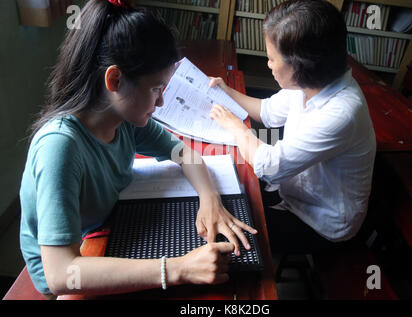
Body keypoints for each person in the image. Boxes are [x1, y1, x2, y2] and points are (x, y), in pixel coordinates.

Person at [19, 0, 257, 298]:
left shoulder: (123, 119)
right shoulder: (60, 147)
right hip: (72, 273)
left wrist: (209, 198)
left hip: (107, 229)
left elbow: (182, 153)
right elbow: (60, 273)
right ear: (115, 79)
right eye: (156, 89)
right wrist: (178, 269)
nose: (160, 103)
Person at [210, 0, 376, 254]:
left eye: (272, 59)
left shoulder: (341, 112)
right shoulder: (311, 83)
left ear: (299, 65)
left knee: (229, 240)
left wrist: (236, 127)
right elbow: (266, 112)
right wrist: (226, 91)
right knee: (226, 197)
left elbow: (270, 166)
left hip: (321, 222)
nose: (268, 65)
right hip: (296, 196)